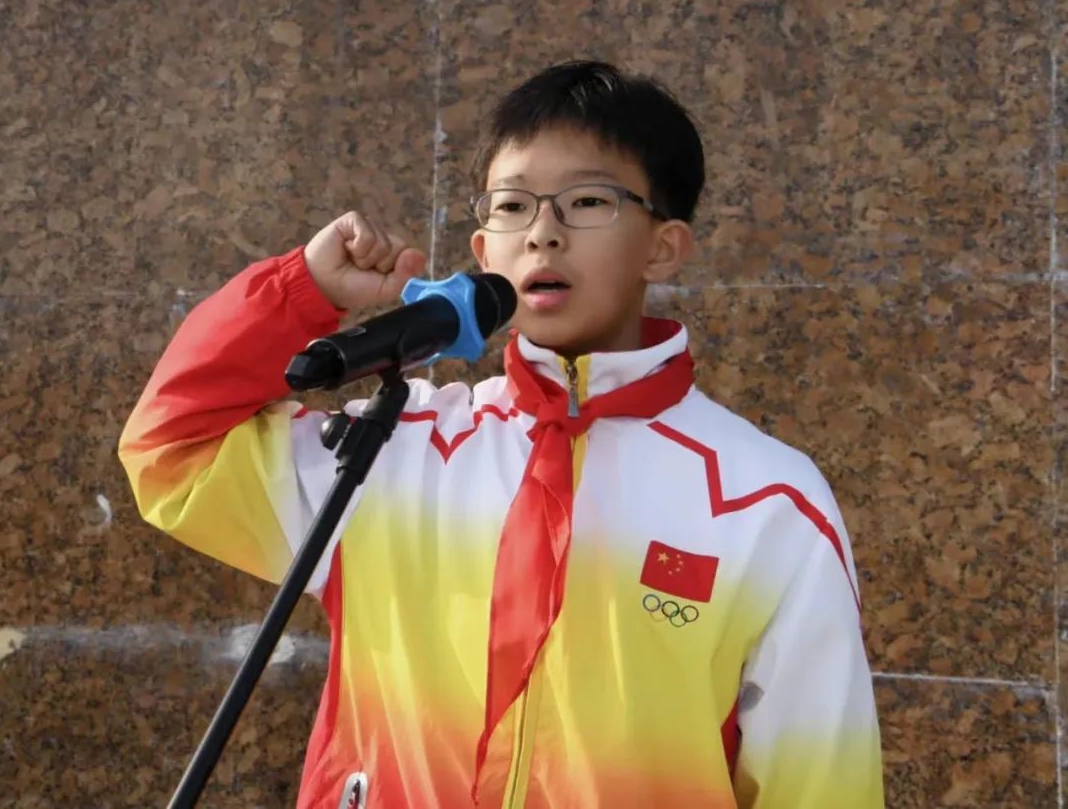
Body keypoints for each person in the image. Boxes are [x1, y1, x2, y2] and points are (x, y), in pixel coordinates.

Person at [119, 60, 884, 808]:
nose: (543, 234)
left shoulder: (765, 500)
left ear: (664, 245)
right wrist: (301, 292)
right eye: (512, 206)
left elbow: (822, 782)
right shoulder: (393, 447)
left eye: (588, 201)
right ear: (483, 252)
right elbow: (172, 447)